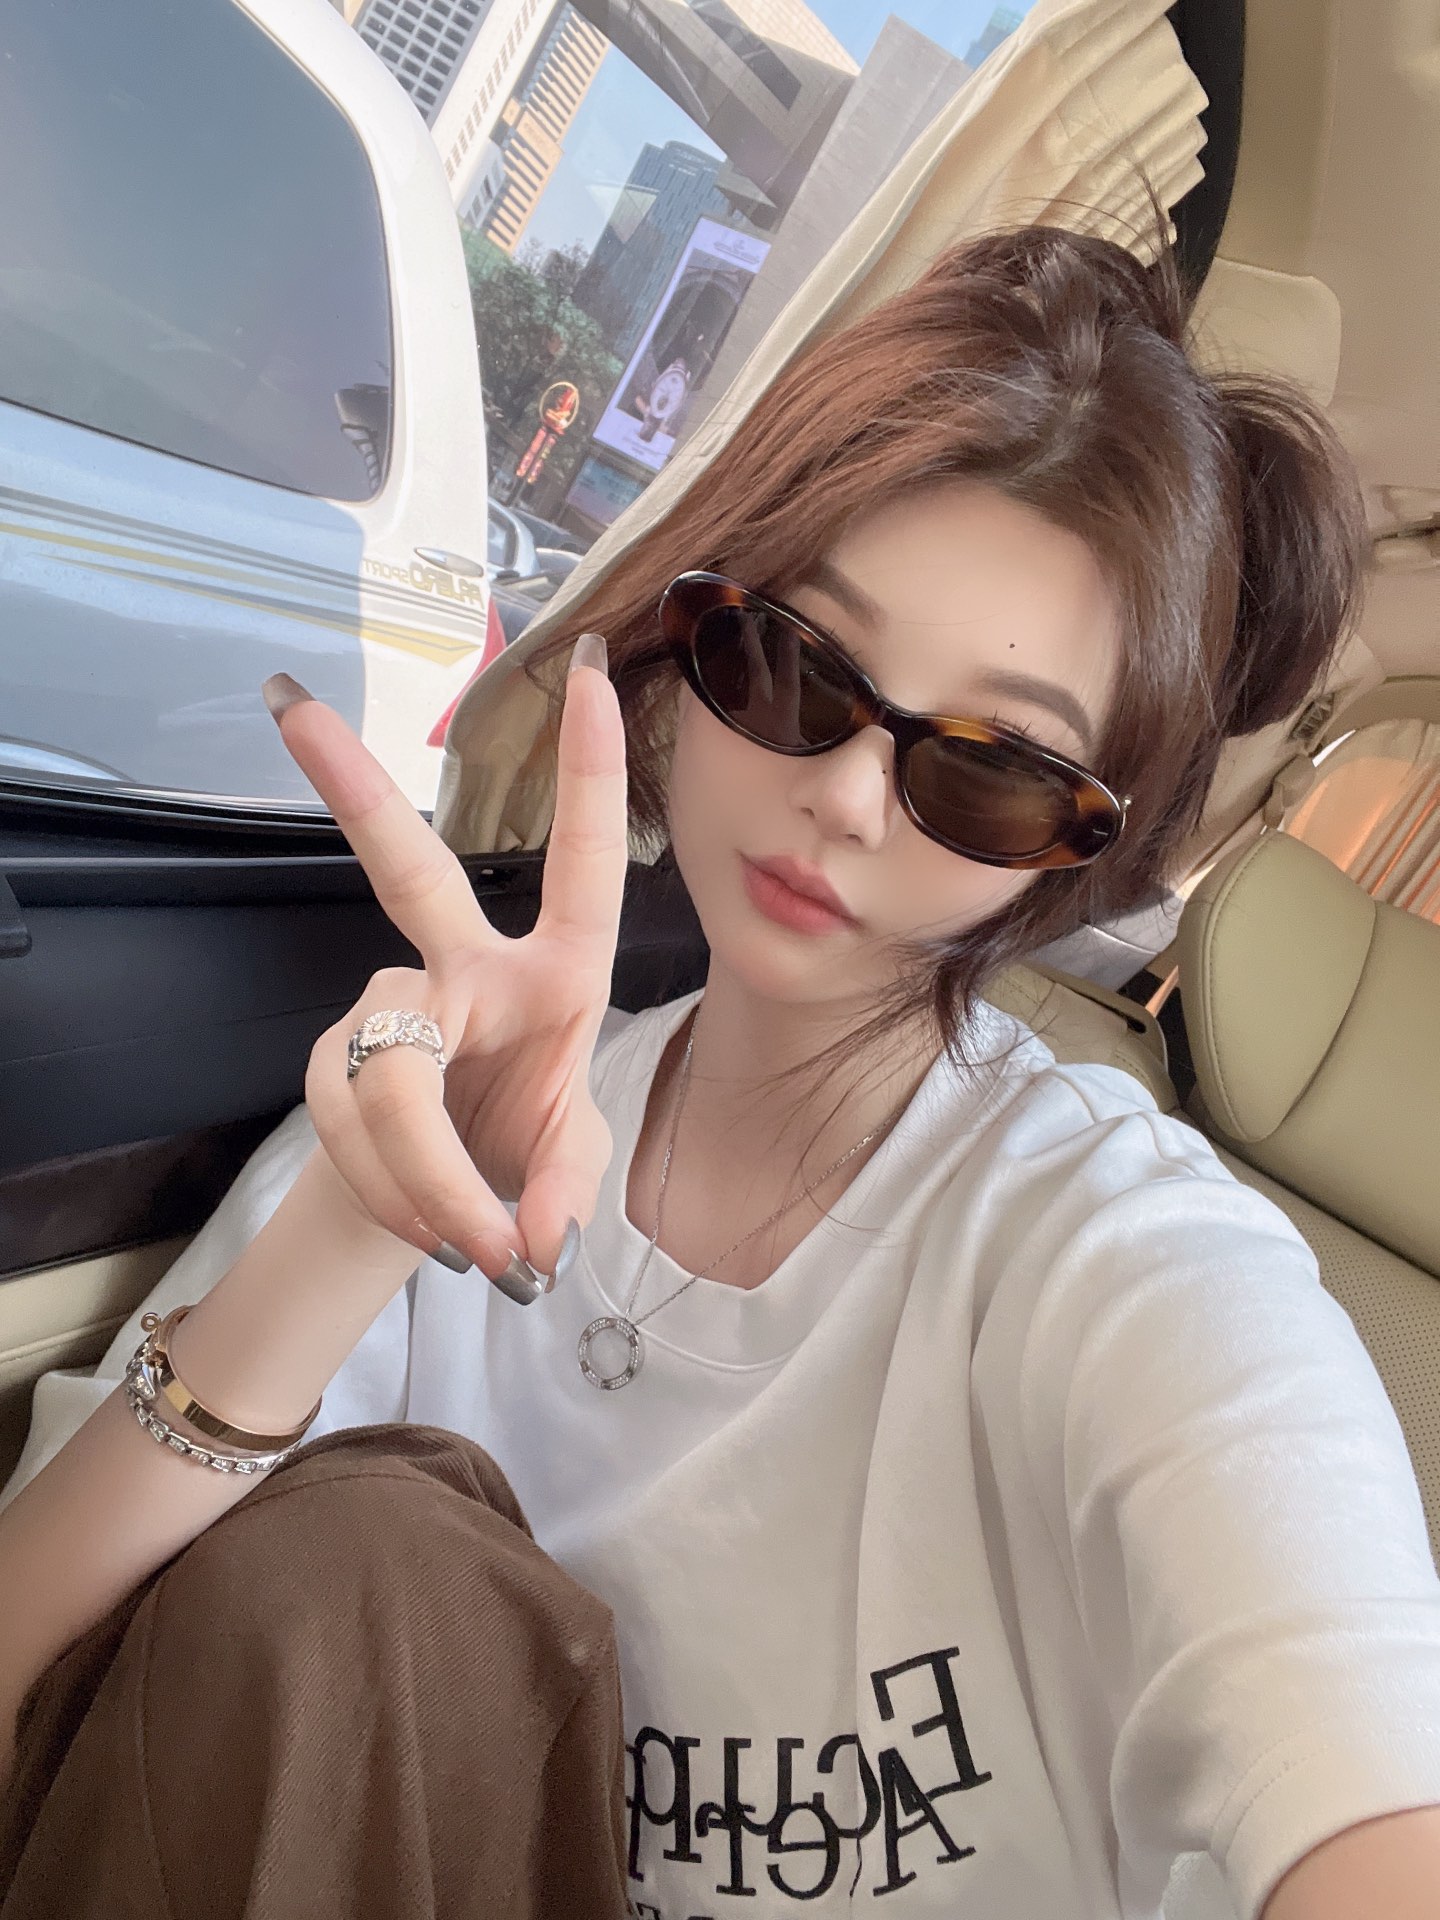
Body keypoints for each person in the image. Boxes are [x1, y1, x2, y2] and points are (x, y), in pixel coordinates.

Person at [2, 227, 1438, 1920]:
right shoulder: (460, 1105)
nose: (848, 797)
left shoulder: (1118, 1261)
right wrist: (354, 1232)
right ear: (693, 649)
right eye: (798, 668)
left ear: (1071, 852)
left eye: (992, 769)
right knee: (354, 1571)